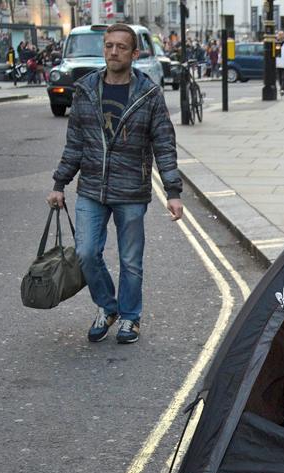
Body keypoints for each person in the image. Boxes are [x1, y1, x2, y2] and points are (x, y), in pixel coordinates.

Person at [46, 24, 184, 344]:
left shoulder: (148, 94)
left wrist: (173, 192)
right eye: (108, 46)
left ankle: (131, 317)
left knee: (131, 260)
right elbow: (75, 143)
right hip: (92, 187)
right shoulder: (86, 90)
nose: (113, 52)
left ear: (134, 54)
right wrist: (59, 183)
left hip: (131, 190)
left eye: (121, 47)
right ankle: (107, 307)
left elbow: (164, 144)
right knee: (85, 253)